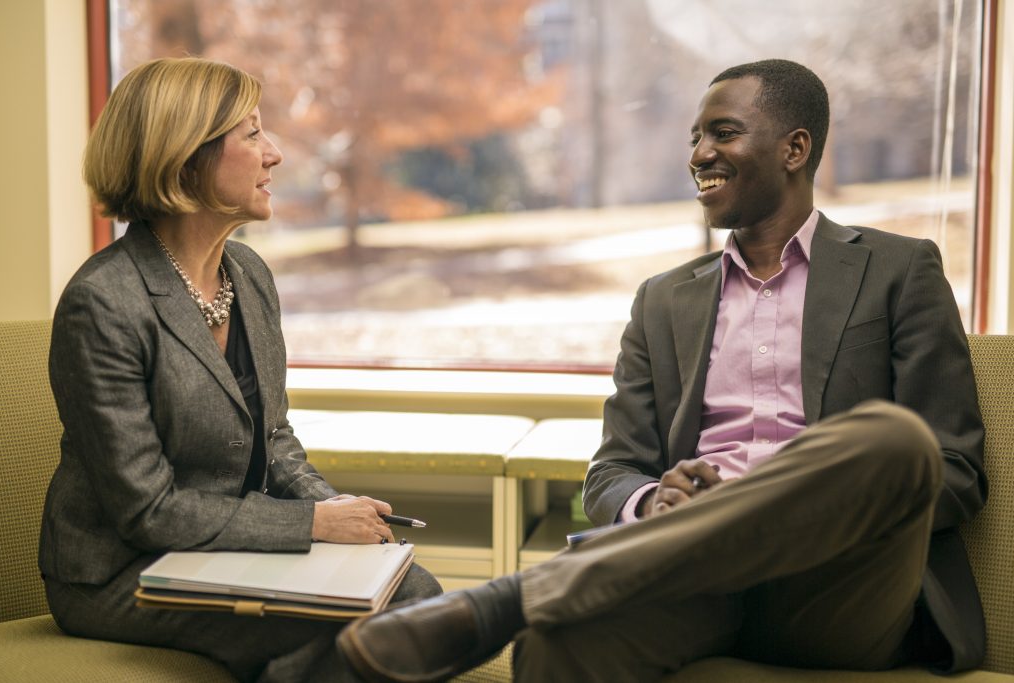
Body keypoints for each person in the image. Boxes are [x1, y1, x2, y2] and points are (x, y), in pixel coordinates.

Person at [335, 59, 986, 682]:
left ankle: (512, 597)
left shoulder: (899, 270)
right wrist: (654, 500)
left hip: (835, 590)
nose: (698, 154)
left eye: (723, 132)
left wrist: (766, 499)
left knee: (893, 440)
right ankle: (540, 604)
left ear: (795, 149)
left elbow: (954, 468)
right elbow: (612, 473)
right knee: (557, 641)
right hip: (692, 588)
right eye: (695, 137)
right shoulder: (664, 299)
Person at [39, 57, 442, 682]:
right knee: (374, 619)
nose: (274, 153)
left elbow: (275, 441)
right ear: (186, 157)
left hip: (224, 550)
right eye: (251, 134)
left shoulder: (249, 276)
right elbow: (147, 510)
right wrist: (313, 524)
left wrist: (340, 511)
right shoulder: (103, 302)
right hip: (123, 570)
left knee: (415, 590)